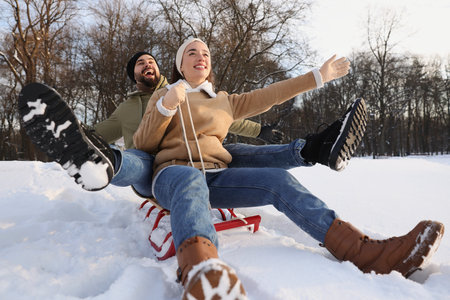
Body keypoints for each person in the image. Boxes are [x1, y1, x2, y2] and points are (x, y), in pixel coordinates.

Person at [133, 38, 444, 299]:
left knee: (279, 179)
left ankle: (363, 251)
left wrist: (317, 76)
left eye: (206, 53)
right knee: (190, 180)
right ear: (180, 65)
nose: (200, 57)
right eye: (192, 52)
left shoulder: (224, 101)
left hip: (216, 175)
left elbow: (270, 95)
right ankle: (201, 270)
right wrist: (166, 106)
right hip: (173, 175)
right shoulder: (164, 93)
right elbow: (144, 142)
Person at [18, 50, 365, 197]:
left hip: (201, 155)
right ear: (133, 74)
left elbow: (223, 118)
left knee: (232, 150)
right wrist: (73, 138)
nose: (147, 65)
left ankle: (315, 148)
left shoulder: (183, 90)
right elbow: (99, 133)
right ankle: (101, 167)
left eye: (151, 61)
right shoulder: (125, 109)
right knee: (137, 158)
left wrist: (260, 130)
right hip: (151, 165)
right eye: (140, 64)